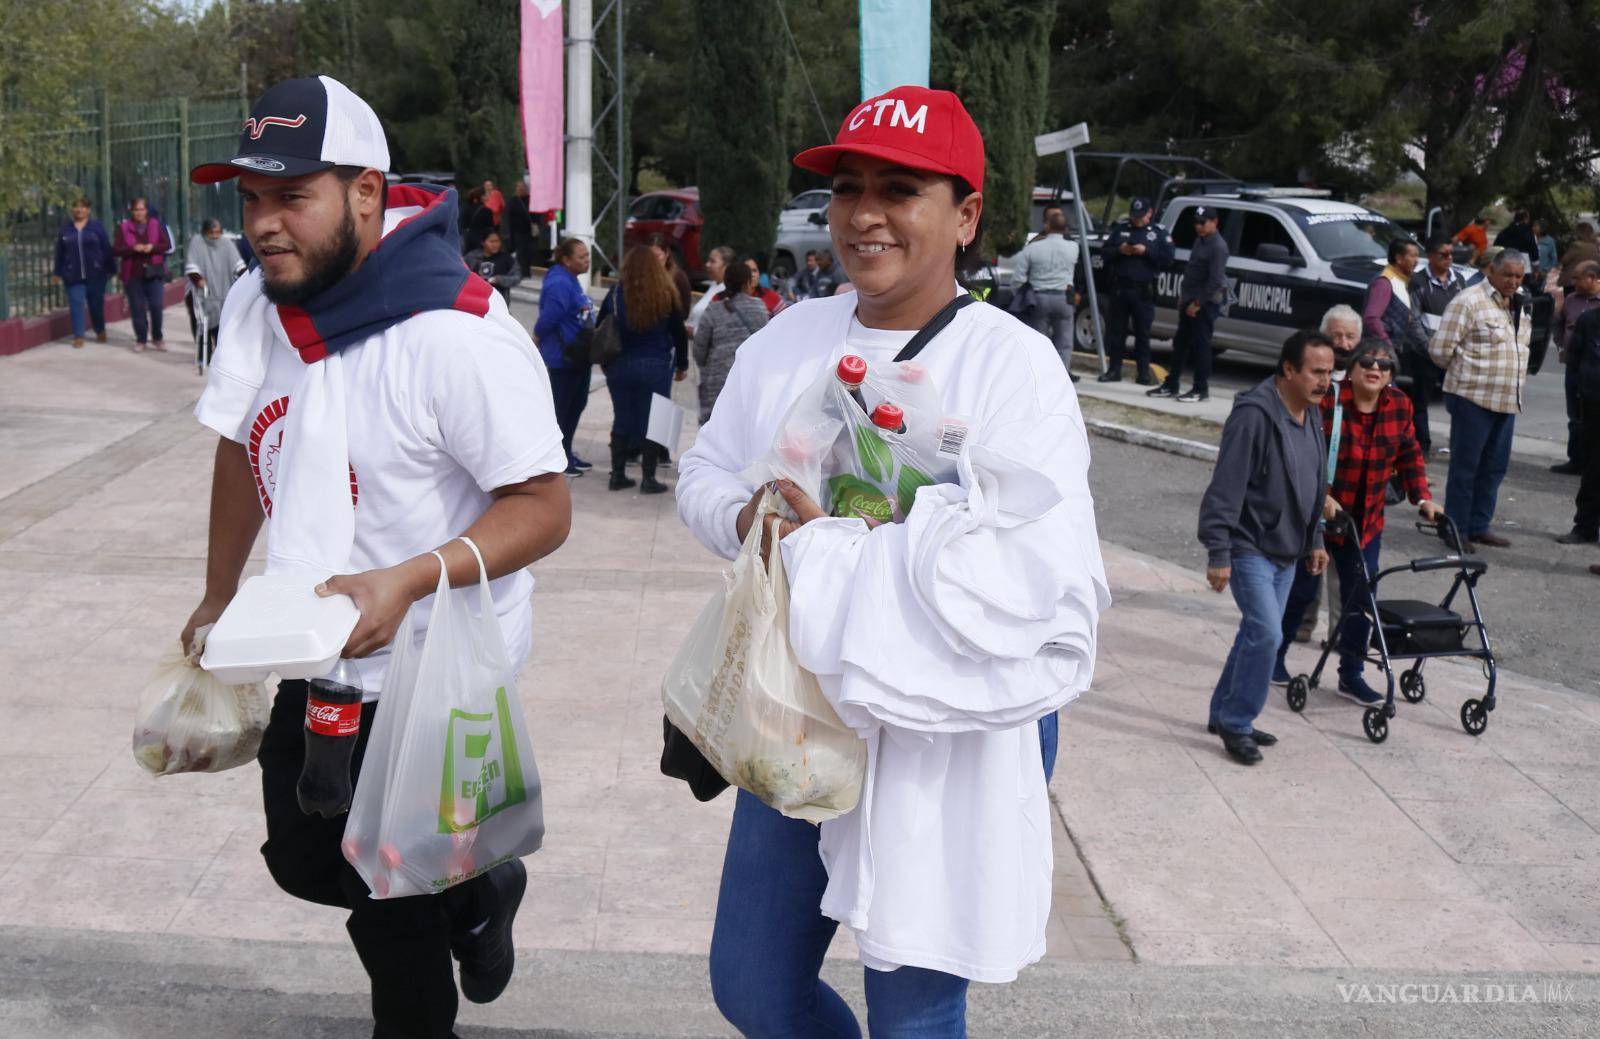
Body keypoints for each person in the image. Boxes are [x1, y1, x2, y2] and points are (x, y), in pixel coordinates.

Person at [677, 83, 1108, 1037]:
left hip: (954, 713)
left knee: (914, 1004)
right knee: (751, 982)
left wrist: (841, 548)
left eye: (899, 190)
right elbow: (700, 470)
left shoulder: (1014, 364)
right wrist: (744, 512)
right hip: (804, 699)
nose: (864, 215)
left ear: (964, 215)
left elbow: (1034, 572)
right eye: (848, 188)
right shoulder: (790, 339)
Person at [182, 75, 572, 1038]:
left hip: (432, 663)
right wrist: (217, 591)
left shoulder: (454, 332)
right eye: (252, 199)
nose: (265, 224)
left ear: (365, 192)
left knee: (383, 895)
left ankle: (434, 954)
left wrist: (410, 577)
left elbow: (546, 506)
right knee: (304, 856)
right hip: (319, 640)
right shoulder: (259, 305)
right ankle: (478, 893)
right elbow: (239, 442)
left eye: (291, 197)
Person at [1275, 338, 1440, 704]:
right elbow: (1302, 447)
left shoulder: (1399, 405)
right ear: (1350, 368)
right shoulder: (1329, 400)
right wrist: (1321, 494)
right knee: (1300, 592)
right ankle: (1274, 657)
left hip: (1364, 524)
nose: (1375, 369)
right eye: (1367, 361)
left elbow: (1410, 452)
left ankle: (1351, 674)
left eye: (1385, 365)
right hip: (1317, 517)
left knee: (1361, 598)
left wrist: (1423, 498)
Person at [1198, 330, 1333, 765]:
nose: (1324, 381)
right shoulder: (1254, 416)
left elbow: (1314, 483)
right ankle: (1237, 723)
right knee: (1268, 634)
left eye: (1329, 373)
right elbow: (1225, 488)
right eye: (1316, 372)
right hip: (1248, 545)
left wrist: (1315, 539)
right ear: (1289, 369)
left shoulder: (1311, 412)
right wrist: (1218, 553)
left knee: (1256, 634)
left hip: (1288, 551)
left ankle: (1223, 712)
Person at [1429, 248, 1532, 549]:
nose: (1513, 281)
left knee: (1494, 467)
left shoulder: (1520, 301)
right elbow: (1439, 350)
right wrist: (1468, 373)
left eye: (1518, 276)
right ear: (1492, 272)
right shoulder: (1469, 301)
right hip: (1472, 399)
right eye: (1508, 275)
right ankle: (1455, 529)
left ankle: (1478, 525)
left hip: (1506, 400)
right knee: (1466, 467)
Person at [599, 245, 688, 493]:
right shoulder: (666, 293)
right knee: (656, 419)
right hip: (656, 365)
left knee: (622, 417)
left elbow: (601, 325)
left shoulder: (616, 293)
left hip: (620, 365)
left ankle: (617, 475)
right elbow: (679, 333)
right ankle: (649, 479)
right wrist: (682, 364)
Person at [1150, 206, 1228, 402]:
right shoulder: (1200, 241)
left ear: (1214, 222)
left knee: (1201, 346)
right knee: (1180, 344)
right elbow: (1192, 272)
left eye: (1203, 223)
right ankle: (1172, 383)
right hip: (1189, 299)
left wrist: (1198, 303)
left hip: (1204, 303)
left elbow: (1215, 280)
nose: (1199, 227)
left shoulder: (1218, 246)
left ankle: (1200, 389)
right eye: (1196, 223)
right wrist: (1184, 298)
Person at [534, 237, 597, 475]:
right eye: (581, 257)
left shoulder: (570, 280)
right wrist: (537, 338)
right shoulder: (560, 282)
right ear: (566, 259)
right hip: (564, 357)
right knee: (563, 409)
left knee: (576, 405)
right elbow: (550, 317)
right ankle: (560, 458)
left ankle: (567, 451)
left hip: (578, 355)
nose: (586, 260)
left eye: (587, 255)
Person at [1099, 196, 1174, 385]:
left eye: (1140, 215)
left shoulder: (1158, 233)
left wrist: (1146, 251)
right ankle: (1114, 370)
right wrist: (1120, 250)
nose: (1136, 219)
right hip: (1120, 289)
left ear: (1149, 213)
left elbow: (1168, 258)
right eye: (1134, 215)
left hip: (1143, 292)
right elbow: (1105, 253)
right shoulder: (1122, 229)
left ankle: (1143, 373)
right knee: (1116, 333)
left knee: (1142, 334)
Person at [690, 255, 768, 424]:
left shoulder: (713, 311)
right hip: (749, 386)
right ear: (748, 283)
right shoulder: (760, 309)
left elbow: (698, 352)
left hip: (716, 387)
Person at [1410, 235, 1468, 454]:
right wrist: (1430, 349)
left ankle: (1458, 445)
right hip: (1425, 354)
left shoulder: (1459, 280)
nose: (1449, 258)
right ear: (1430, 256)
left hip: (1453, 354)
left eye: (1451, 254)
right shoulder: (1417, 282)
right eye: (1444, 254)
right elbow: (1413, 320)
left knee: (1458, 402)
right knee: (1420, 402)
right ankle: (1421, 446)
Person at [1012, 206, 1081, 379]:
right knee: (1064, 342)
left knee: (1039, 341)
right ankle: (1061, 376)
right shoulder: (1073, 247)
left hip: (1039, 297)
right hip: (1064, 298)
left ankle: (1040, 374)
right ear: (1065, 229)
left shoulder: (1033, 248)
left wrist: (1021, 295)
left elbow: (1018, 278)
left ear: (1047, 226)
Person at [1551, 262, 1600, 478]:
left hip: (1594, 371)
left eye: (1577, 278)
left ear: (1592, 278)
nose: (1573, 283)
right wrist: (1562, 344)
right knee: (1575, 416)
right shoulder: (1571, 300)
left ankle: (1591, 461)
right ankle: (1576, 459)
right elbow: (1559, 323)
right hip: (1574, 366)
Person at [1560, 306, 1600, 558]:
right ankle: (1585, 527)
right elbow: (1574, 362)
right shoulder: (1590, 320)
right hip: (1594, 408)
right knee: (1593, 471)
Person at [52, 197, 115, 348]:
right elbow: (59, 253)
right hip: (72, 275)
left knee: (96, 305)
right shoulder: (66, 230)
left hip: (95, 275)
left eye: (83, 207)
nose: (79, 210)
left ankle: (99, 329)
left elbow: (106, 248)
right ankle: (78, 336)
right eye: (76, 207)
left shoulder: (97, 228)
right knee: (76, 303)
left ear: (88, 210)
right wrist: (57, 272)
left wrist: (111, 269)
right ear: (72, 209)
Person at [183, 219, 246, 366]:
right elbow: (192, 265)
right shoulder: (197, 242)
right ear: (205, 232)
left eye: (218, 232)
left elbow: (237, 264)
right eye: (211, 233)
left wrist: (245, 276)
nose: (215, 236)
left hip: (223, 291)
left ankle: (221, 357)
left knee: (222, 327)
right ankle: (203, 356)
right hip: (201, 293)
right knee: (201, 325)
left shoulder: (226, 244)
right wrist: (198, 280)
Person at [115, 197, 173, 352]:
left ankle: (157, 338)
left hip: (154, 273)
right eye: (135, 210)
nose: (139, 213)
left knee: (156, 305)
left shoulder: (155, 225)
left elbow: (166, 245)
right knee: (137, 308)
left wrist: (152, 247)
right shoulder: (124, 227)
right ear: (131, 211)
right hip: (133, 274)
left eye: (141, 209)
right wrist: (133, 248)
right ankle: (141, 338)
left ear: (146, 210)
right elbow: (116, 249)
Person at [463, 230, 523, 304]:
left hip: (499, 300)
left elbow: (517, 277)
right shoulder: (472, 257)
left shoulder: (507, 259)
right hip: (475, 299)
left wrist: (499, 279)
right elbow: (462, 274)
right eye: (491, 241)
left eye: (497, 241)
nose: (495, 244)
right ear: (483, 243)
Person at [687, 245, 736, 335]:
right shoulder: (714, 285)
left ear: (727, 267)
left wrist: (693, 331)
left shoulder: (728, 293)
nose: (707, 264)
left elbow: (720, 330)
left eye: (712, 261)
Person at [648, 233, 694, 318]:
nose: (653, 260)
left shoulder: (679, 277)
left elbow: (684, 311)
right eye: (650, 256)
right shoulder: (643, 275)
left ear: (667, 254)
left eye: (657, 256)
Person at [506, 180, 538, 275]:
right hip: (517, 230)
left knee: (528, 252)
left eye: (522, 187)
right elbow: (509, 216)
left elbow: (535, 215)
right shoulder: (513, 201)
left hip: (528, 231)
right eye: (518, 187)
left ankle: (526, 271)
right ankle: (522, 272)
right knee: (520, 252)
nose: (520, 189)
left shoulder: (530, 200)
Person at [1558, 223, 1599, 290]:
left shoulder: (1576, 245)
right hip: (1589, 281)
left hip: (1573, 281)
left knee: (1570, 299)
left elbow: (1564, 260)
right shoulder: (1594, 246)